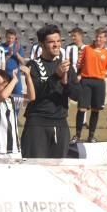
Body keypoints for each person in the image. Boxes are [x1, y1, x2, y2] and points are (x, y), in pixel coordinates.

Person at [21, 24, 79, 159]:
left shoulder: (66, 66)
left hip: (60, 124)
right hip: (37, 123)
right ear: (41, 44)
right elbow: (35, 95)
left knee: (58, 171)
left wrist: (66, 84)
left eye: (58, 41)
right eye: (51, 42)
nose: (56, 45)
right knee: (34, 169)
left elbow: (77, 96)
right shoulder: (33, 65)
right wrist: (55, 76)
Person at [75, 27, 107, 143]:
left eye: (101, 37)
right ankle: (77, 135)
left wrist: (103, 73)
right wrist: (79, 73)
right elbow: (79, 64)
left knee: (96, 110)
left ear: (105, 39)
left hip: (99, 82)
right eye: (97, 36)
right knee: (82, 108)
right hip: (86, 80)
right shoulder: (86, 49)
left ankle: (91, 136)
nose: (98, 39)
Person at [0, 65, 35, 157]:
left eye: (7, 84)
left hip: (14, 149)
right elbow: (3, 95)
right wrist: (15, 80)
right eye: (3, 83)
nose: (6, 86)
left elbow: (32, 97)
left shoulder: (12, 99)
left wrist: (28, 76)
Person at [3, 28, 27, 115]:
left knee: (18, 98)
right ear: (5, 37)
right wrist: (9, 55)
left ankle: (15, 117)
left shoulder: (18, 47)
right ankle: (5, 116)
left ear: (15, 38)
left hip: (16, 76)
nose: (10, 40)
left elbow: (23, 62)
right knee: (4, 97)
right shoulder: (1, 47)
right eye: (8, 38)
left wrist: (16, 53)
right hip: (4, 76)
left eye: (12, 38)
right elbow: (1, 62)